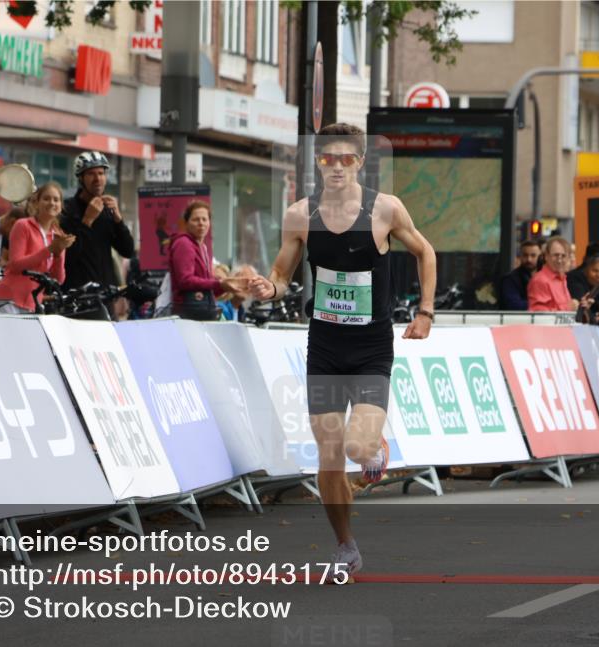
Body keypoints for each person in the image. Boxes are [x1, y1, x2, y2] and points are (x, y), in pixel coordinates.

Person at [246, 123, 437, 576]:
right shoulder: (300, 215)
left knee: (355, 447)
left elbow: (425, 252)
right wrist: (266, 289)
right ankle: (345, 545)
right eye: (326, 158)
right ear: (317, 162)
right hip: (325, 346)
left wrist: (425, 312)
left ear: (359, 162)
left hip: (371, 348)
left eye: (344, 158)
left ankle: (373, 447)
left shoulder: (385, 209)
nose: (335, 166)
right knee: (329, 453)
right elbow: (281, 274)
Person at [59, 151, 136, 291]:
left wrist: (118, 220)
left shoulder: (107, 210)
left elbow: (127, 250)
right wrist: (87, 220)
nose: (97, 179)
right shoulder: (67, 209)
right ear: (81, 178)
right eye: (91, 174)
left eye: (101, 173)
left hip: (105, 293)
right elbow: (67, 255)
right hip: (75, 294)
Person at [0, 182, 74, 311]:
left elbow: (58, 280)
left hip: (33, 303)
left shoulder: (58, 235)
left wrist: (58, 254)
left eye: (56, 200)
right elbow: (15, 264)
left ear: (61, 206)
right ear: (37, 202)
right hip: (10, 299)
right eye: (46, 199)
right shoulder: (23, 225)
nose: (52, 203)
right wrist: (49, 250)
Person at [169, 201, 248, 321]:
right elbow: (184, 280)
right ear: (186, 223)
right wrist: (219, 284)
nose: (201, 223)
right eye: (196, 219)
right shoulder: (184, 243)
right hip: (188, 313)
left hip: (200, 311)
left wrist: (227, 285)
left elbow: (205, 286)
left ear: (209, 223)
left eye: (204, 219)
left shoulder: (203, 247)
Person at [527, 235, 577, 311]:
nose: (559, 260)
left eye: (563, 256)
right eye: (556, 255)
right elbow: (538, 313)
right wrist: (568, 307)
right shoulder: (540, 280)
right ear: (546, 256)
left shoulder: (562, 278)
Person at [499, 240, 540, 310]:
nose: (529, 259)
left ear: (540, 257)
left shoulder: (545, 277)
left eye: (533, 255)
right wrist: (541, 305)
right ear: (520, 256)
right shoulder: (510, 279)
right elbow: (514, 304)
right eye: (525, 255)